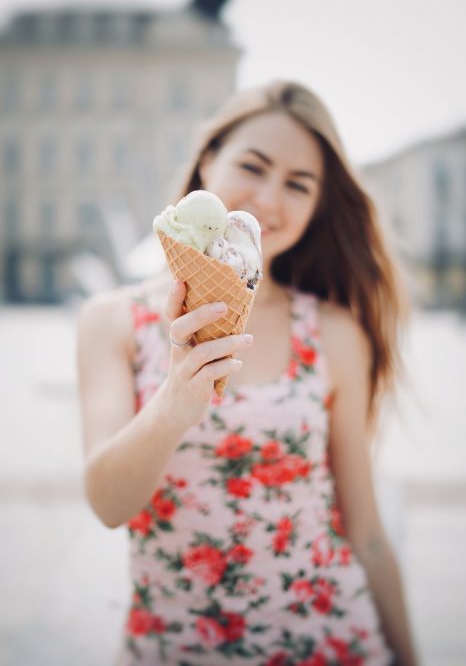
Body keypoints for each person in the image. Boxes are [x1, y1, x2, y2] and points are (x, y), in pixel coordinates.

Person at [77, 80, 419, 666]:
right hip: (176, 649)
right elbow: (110, 506)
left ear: (316, 207)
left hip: (328, 642)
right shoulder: (112, 323)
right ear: (208, 160)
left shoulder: (335, 332)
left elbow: (366, 532)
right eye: (252, 166)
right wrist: (171, 405)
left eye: (298, 184)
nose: (267, 197)